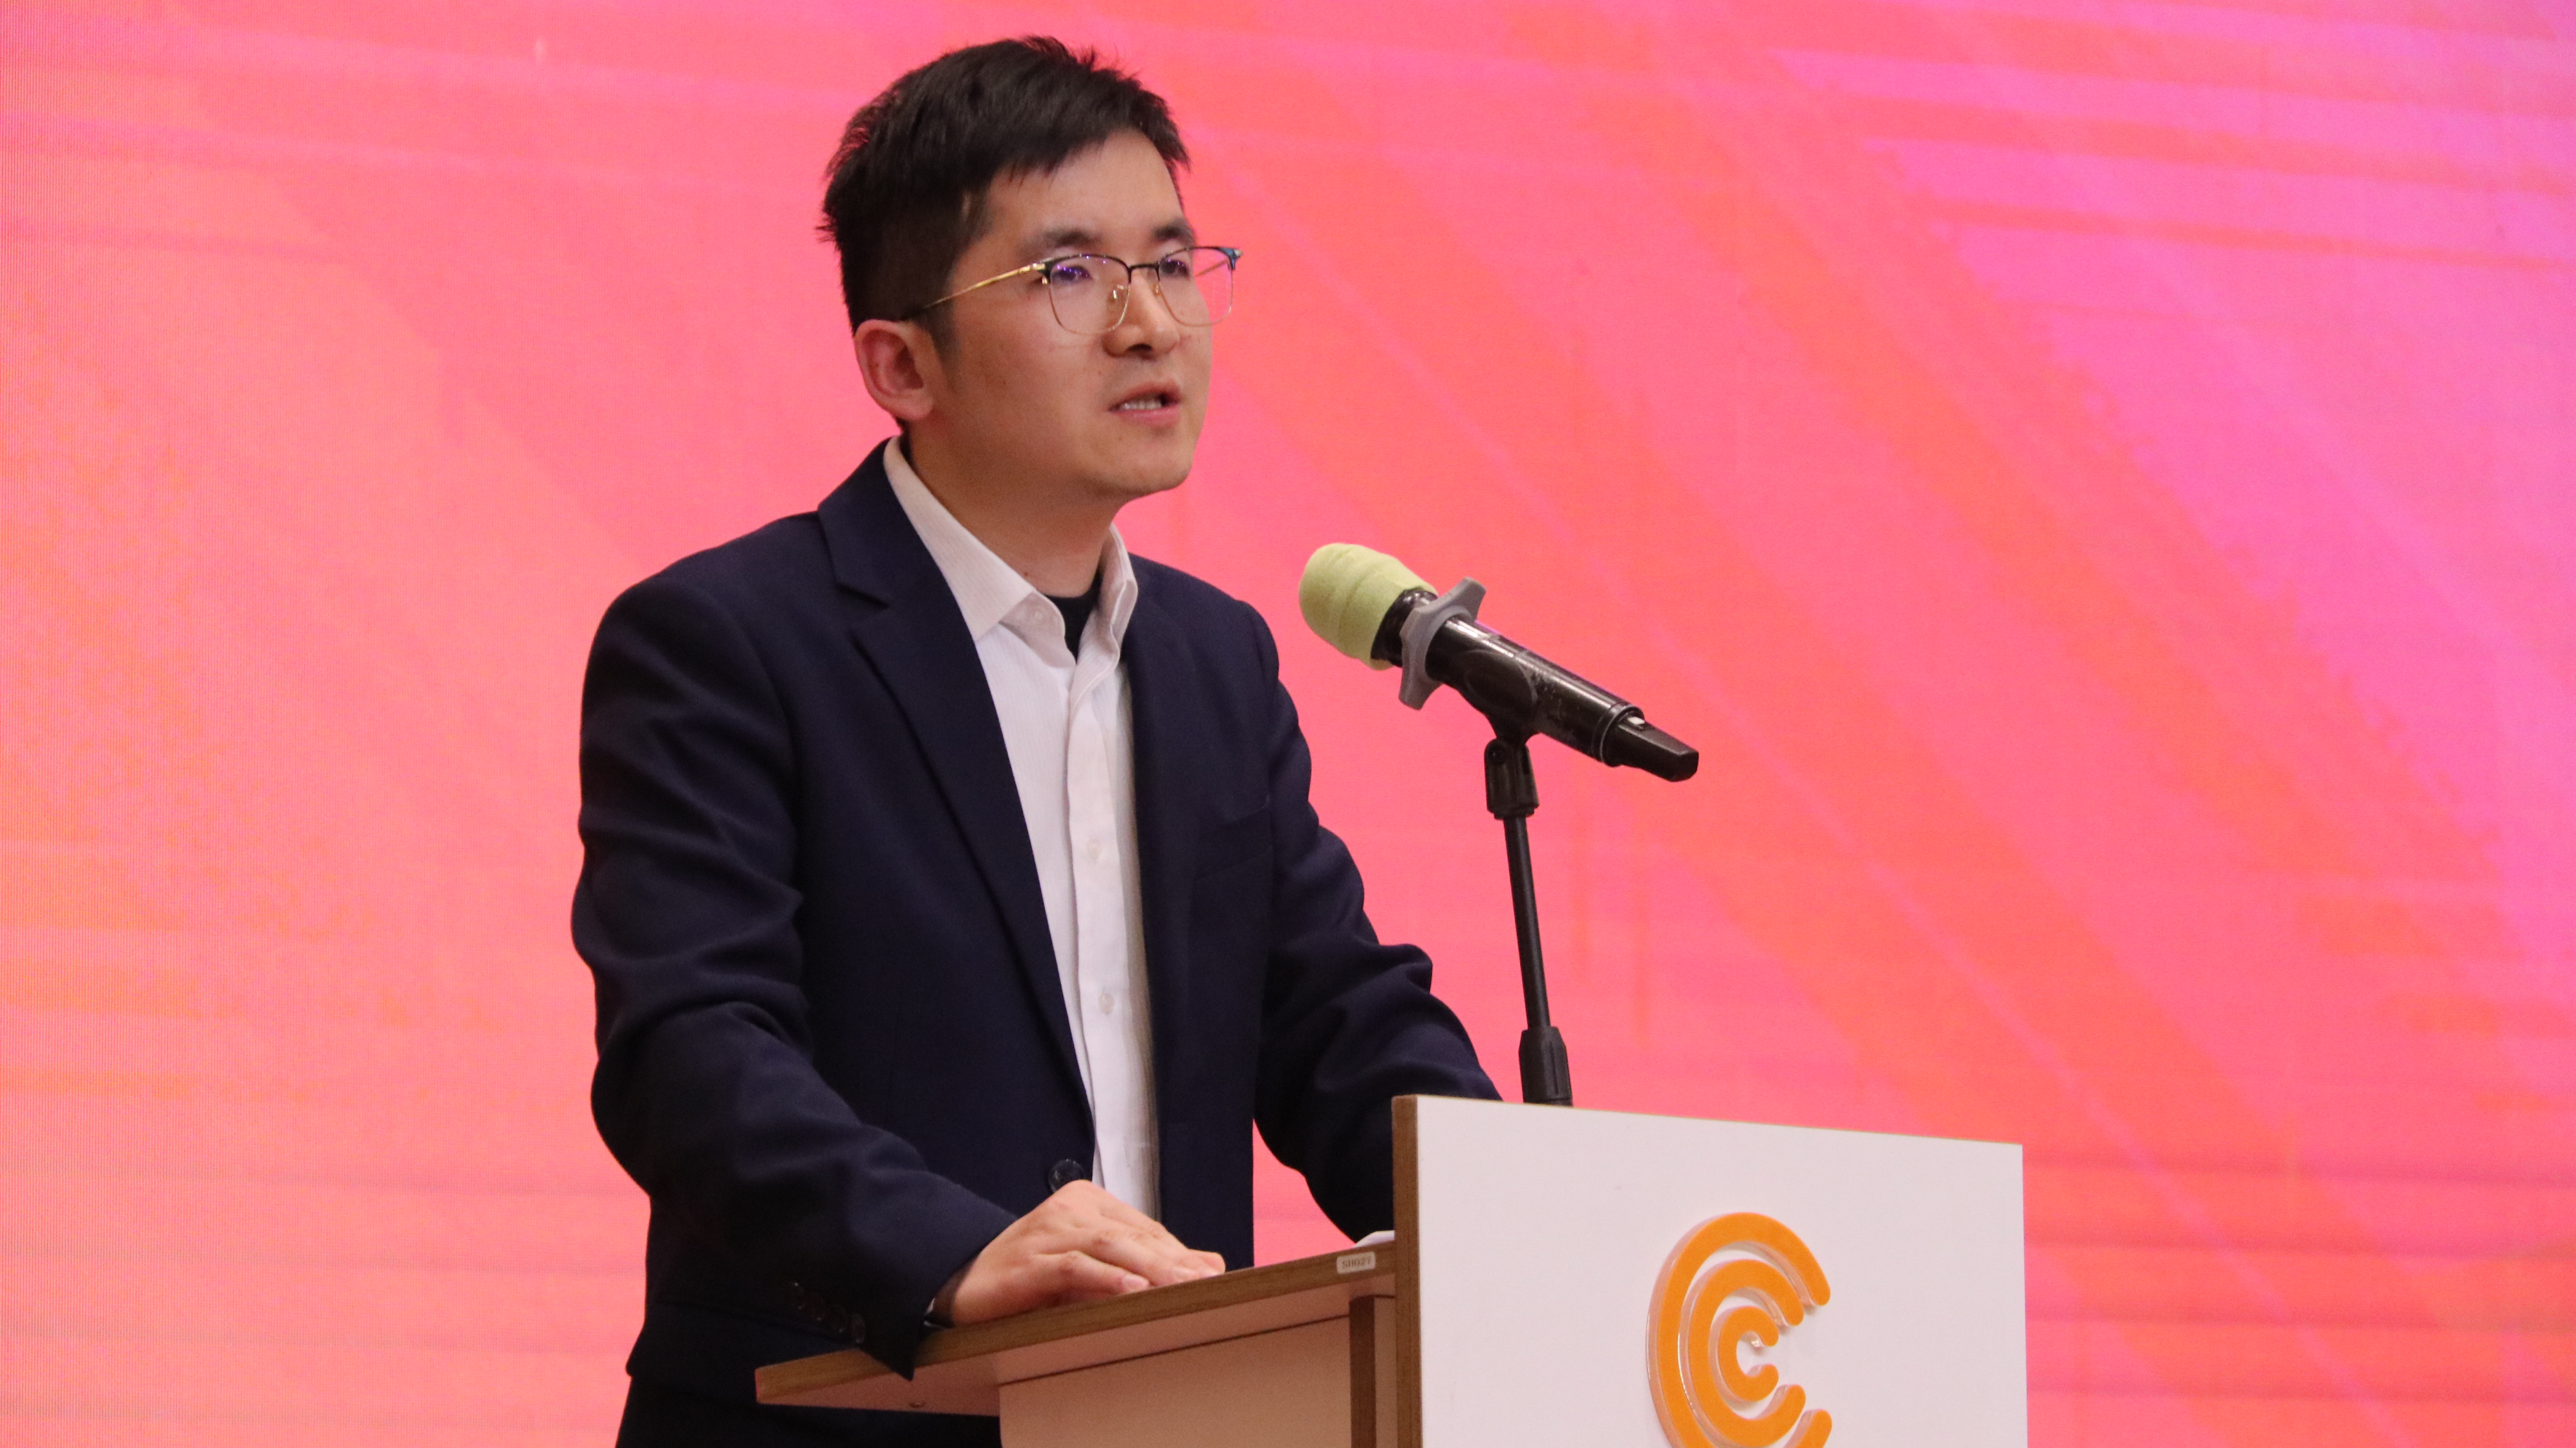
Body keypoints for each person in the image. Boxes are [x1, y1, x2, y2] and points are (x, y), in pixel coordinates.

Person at [573, 36, 1497, 1447]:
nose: (1151, 325)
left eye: (1174, 264)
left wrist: (1526, 1217)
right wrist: (952, 1254)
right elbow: (692, 1056)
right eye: (1070, 275)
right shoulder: (729, 641)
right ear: (901, 363)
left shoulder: (1215, 661)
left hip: (1167, 1420)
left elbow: (1338, 1024)